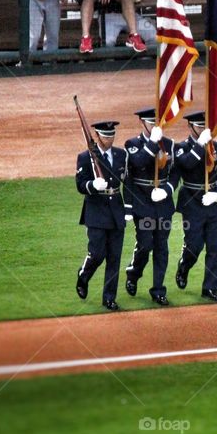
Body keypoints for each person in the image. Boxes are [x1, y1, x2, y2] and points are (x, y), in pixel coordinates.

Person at [122, 108, 176, 305]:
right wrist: (152, 143)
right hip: (142, 204)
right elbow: (137, 163)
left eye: (157, 122)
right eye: (150, 122)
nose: (155, 125)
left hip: (163, 205)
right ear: (141, 123)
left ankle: (158, 290)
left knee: (162, 248)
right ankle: (133, 273)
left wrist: (167, 190)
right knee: (145, 246)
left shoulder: (169, 144)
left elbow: (175, 173)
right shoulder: (132, 144)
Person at [173, 110, 217, 302]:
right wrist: (199, 145)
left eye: (205, 125)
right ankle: (184, 266)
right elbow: (186, 164)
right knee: (194, 246)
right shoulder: (182, 147)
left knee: (216, 247)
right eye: (199, 125)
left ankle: (210, 288)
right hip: (192, 202)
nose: (203, 128)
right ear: (190, 126)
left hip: (213, 202)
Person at [75, 120, 128, 311]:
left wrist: (128, 209)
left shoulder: (121, 155)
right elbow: (80, 185)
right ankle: (84, 274)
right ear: (97, 136)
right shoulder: (86, 157)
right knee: (97, 254)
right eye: (106, 136)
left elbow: (127, 181)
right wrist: (92, 186)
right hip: (96, 211)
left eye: (112, 135)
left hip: (116, 211)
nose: (110, 139)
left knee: (114, 258)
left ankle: (109, 298)